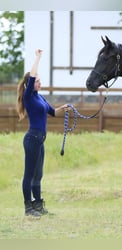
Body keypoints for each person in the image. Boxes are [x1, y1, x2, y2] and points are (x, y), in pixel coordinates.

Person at [16, 49, 69, 217]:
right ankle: (28, 208)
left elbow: (52, 112)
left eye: (40, 81)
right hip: (32, 139)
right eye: (37, 81)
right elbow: (31, 76)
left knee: (38, 175)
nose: (40, 83)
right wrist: (38, 57)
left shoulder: (40, 97)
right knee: (29, 175)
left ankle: (38, 205)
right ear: (30, 83)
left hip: (40, 140)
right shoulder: (29, 96)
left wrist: (64, 108)